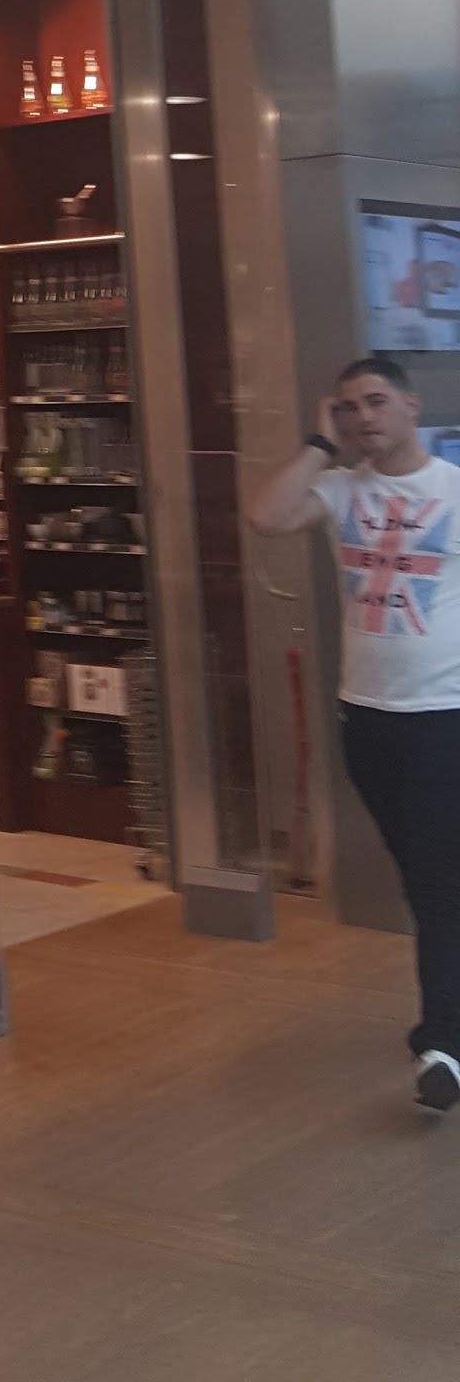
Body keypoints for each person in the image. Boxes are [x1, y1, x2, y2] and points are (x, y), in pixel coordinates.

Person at [251, 352, 460, 1112]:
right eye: (348, 407)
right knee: (420, 875)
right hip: (366, 718)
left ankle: (444, 1044)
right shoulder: (340, 490)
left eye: (375, 402)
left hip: (444, 718)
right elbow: (266, 518)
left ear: (410, 404)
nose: (363, 417)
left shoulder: (453, 490)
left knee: (436, 883)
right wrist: (319, 445)